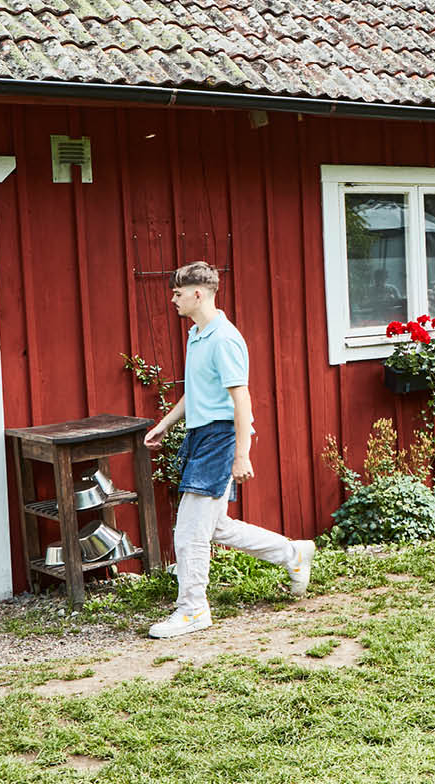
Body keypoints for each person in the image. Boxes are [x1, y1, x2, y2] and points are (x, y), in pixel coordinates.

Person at [143, 261, 315, 639]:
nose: (173, 299)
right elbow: (198, 392)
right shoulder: (197, 335)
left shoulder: (225, 339)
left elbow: (242, 400)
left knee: (190, 530)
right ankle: (293, 554)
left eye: (177, 293)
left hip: (220, 439)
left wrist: (242, 454)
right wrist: (165, 423)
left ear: (198, 294)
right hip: (200, 437)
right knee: (216, 525)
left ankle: (193, 609)